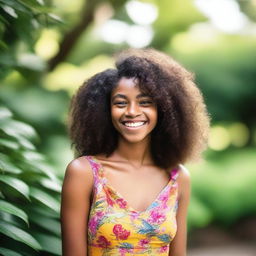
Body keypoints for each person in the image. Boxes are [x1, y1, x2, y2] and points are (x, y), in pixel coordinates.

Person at [61, 48, 210, 256]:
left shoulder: (178, 178)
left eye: (145, 102)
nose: (132, 111)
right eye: (121, 103)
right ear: (106, 110)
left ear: (164, 109)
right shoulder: (84, 172)